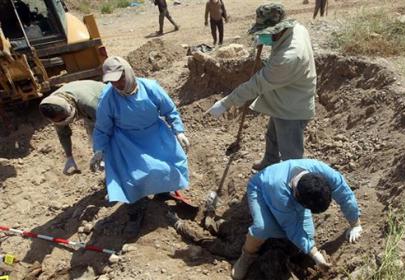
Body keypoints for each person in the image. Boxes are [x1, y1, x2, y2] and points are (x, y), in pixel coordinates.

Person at [206, 3, 316, 172]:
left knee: (290, 153)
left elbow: (255, 85)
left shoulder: (288, 58)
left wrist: (225, 103)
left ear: (277, 30)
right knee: (272, 135)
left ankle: (294, 186)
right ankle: (270, 162)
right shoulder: (296, 28)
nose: (263, 36)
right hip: (283, 96)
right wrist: (265, 36)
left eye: (265, 33)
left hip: (292, 107)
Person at [90, 56, 190, 237]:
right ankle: (135, 213)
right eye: (112, 81)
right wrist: (99, 149)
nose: (117, 84)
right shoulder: (108, 98)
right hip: (125, 141)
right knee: (131, 179)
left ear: (127, 72)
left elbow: (169, 110)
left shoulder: (150, 87)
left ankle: (162, 192)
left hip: (154, 134)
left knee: (165, 166)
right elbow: (102, 127)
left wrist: (179, 131)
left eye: (120, 78)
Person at [231, 159, 362, 279]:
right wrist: (315, 254)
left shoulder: (324, 173)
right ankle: (247, 255)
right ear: (297, 197)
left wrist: (355, 223)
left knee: (308, 235)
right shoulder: (281, 194)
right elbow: (292, 227)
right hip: (260, 188)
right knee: (265, 228)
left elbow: (345, 194)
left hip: (290, 192)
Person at [39, 80, 105, 175]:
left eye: (68, 118)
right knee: (95, 140)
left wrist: (101, 150)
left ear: (69, 107)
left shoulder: (90, 103)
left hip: (105, 102)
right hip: (88, 112)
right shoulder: (53, 106)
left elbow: (107, 127)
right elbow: (63, 134)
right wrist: (69, 157)